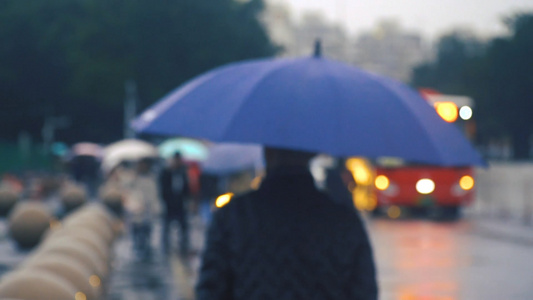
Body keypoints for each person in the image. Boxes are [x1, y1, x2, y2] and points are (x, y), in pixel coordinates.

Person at [196, 147, 378, 300]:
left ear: (267, 152)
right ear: (311, 154)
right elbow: (364, 291)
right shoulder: (343, 220)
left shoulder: (233, 216)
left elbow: (210, 289)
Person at [127, 157, 161, 259]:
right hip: (136, 211)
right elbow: (127, 190)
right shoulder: (133, 178)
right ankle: (137, 248)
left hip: (147, 211)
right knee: (136, 231)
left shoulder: (151, 178)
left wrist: (156, 208)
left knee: (146, 231)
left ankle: (145, 249)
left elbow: (154, 194)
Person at [159, 152, 191, 255]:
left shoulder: (182, 172)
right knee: (166, 226)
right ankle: (165, 247)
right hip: (169, 203)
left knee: (183, 226)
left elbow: (186, 188)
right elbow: (162, 188)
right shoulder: (166, 172)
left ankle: (183, 246)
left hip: (180, 203)